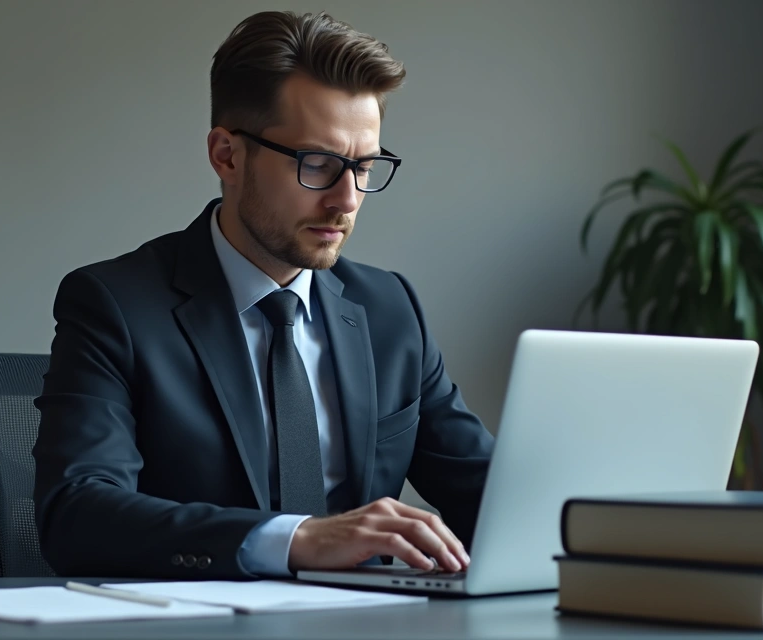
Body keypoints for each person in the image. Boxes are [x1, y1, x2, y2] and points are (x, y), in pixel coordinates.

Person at [32, 9, 495, 581]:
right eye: (317, 164)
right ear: (227, 155)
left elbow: (490, 491)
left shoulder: (389, 309)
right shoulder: (114, 305)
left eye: (365, 166)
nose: (347, 200)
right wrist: (296, 540)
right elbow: (76, 513)